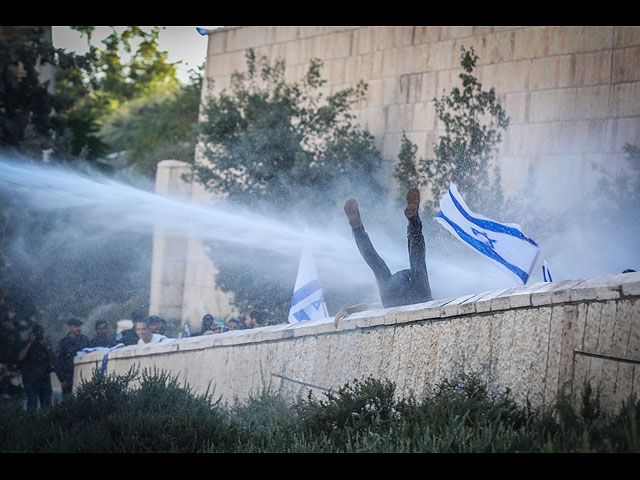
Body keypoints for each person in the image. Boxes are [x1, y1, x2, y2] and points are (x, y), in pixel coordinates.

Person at [335, 187, 432, 326]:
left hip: (394, 298)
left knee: (378, 264)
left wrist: (349, 310)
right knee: (413, 257)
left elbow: (369, 307)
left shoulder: (384, 300)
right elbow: (371, 306)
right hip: (420, 295)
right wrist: (349, 310)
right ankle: (413, 219)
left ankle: (357, 229)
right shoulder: (386, 298)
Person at [18, 323, 55, 410]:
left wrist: (47, 346)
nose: (39, 336)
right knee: (32, 402)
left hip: (44, 377)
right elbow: (20, 357)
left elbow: (53, 356)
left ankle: (45, 421)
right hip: (29, 377)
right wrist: (29, 343)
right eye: (37, 334)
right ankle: (31, 421)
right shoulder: (26, 342)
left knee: (46, 403)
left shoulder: (46, 342)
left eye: (41, 333)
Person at [54, 318, 90, 395]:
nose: (78, 328)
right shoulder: (64, 343)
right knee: (69, 401)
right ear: (70, 327)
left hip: (83, 375)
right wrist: (62, 380)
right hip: (68, 378)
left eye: (79, 326)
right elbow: (57, 362)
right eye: (76, 326)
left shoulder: (84, 340)